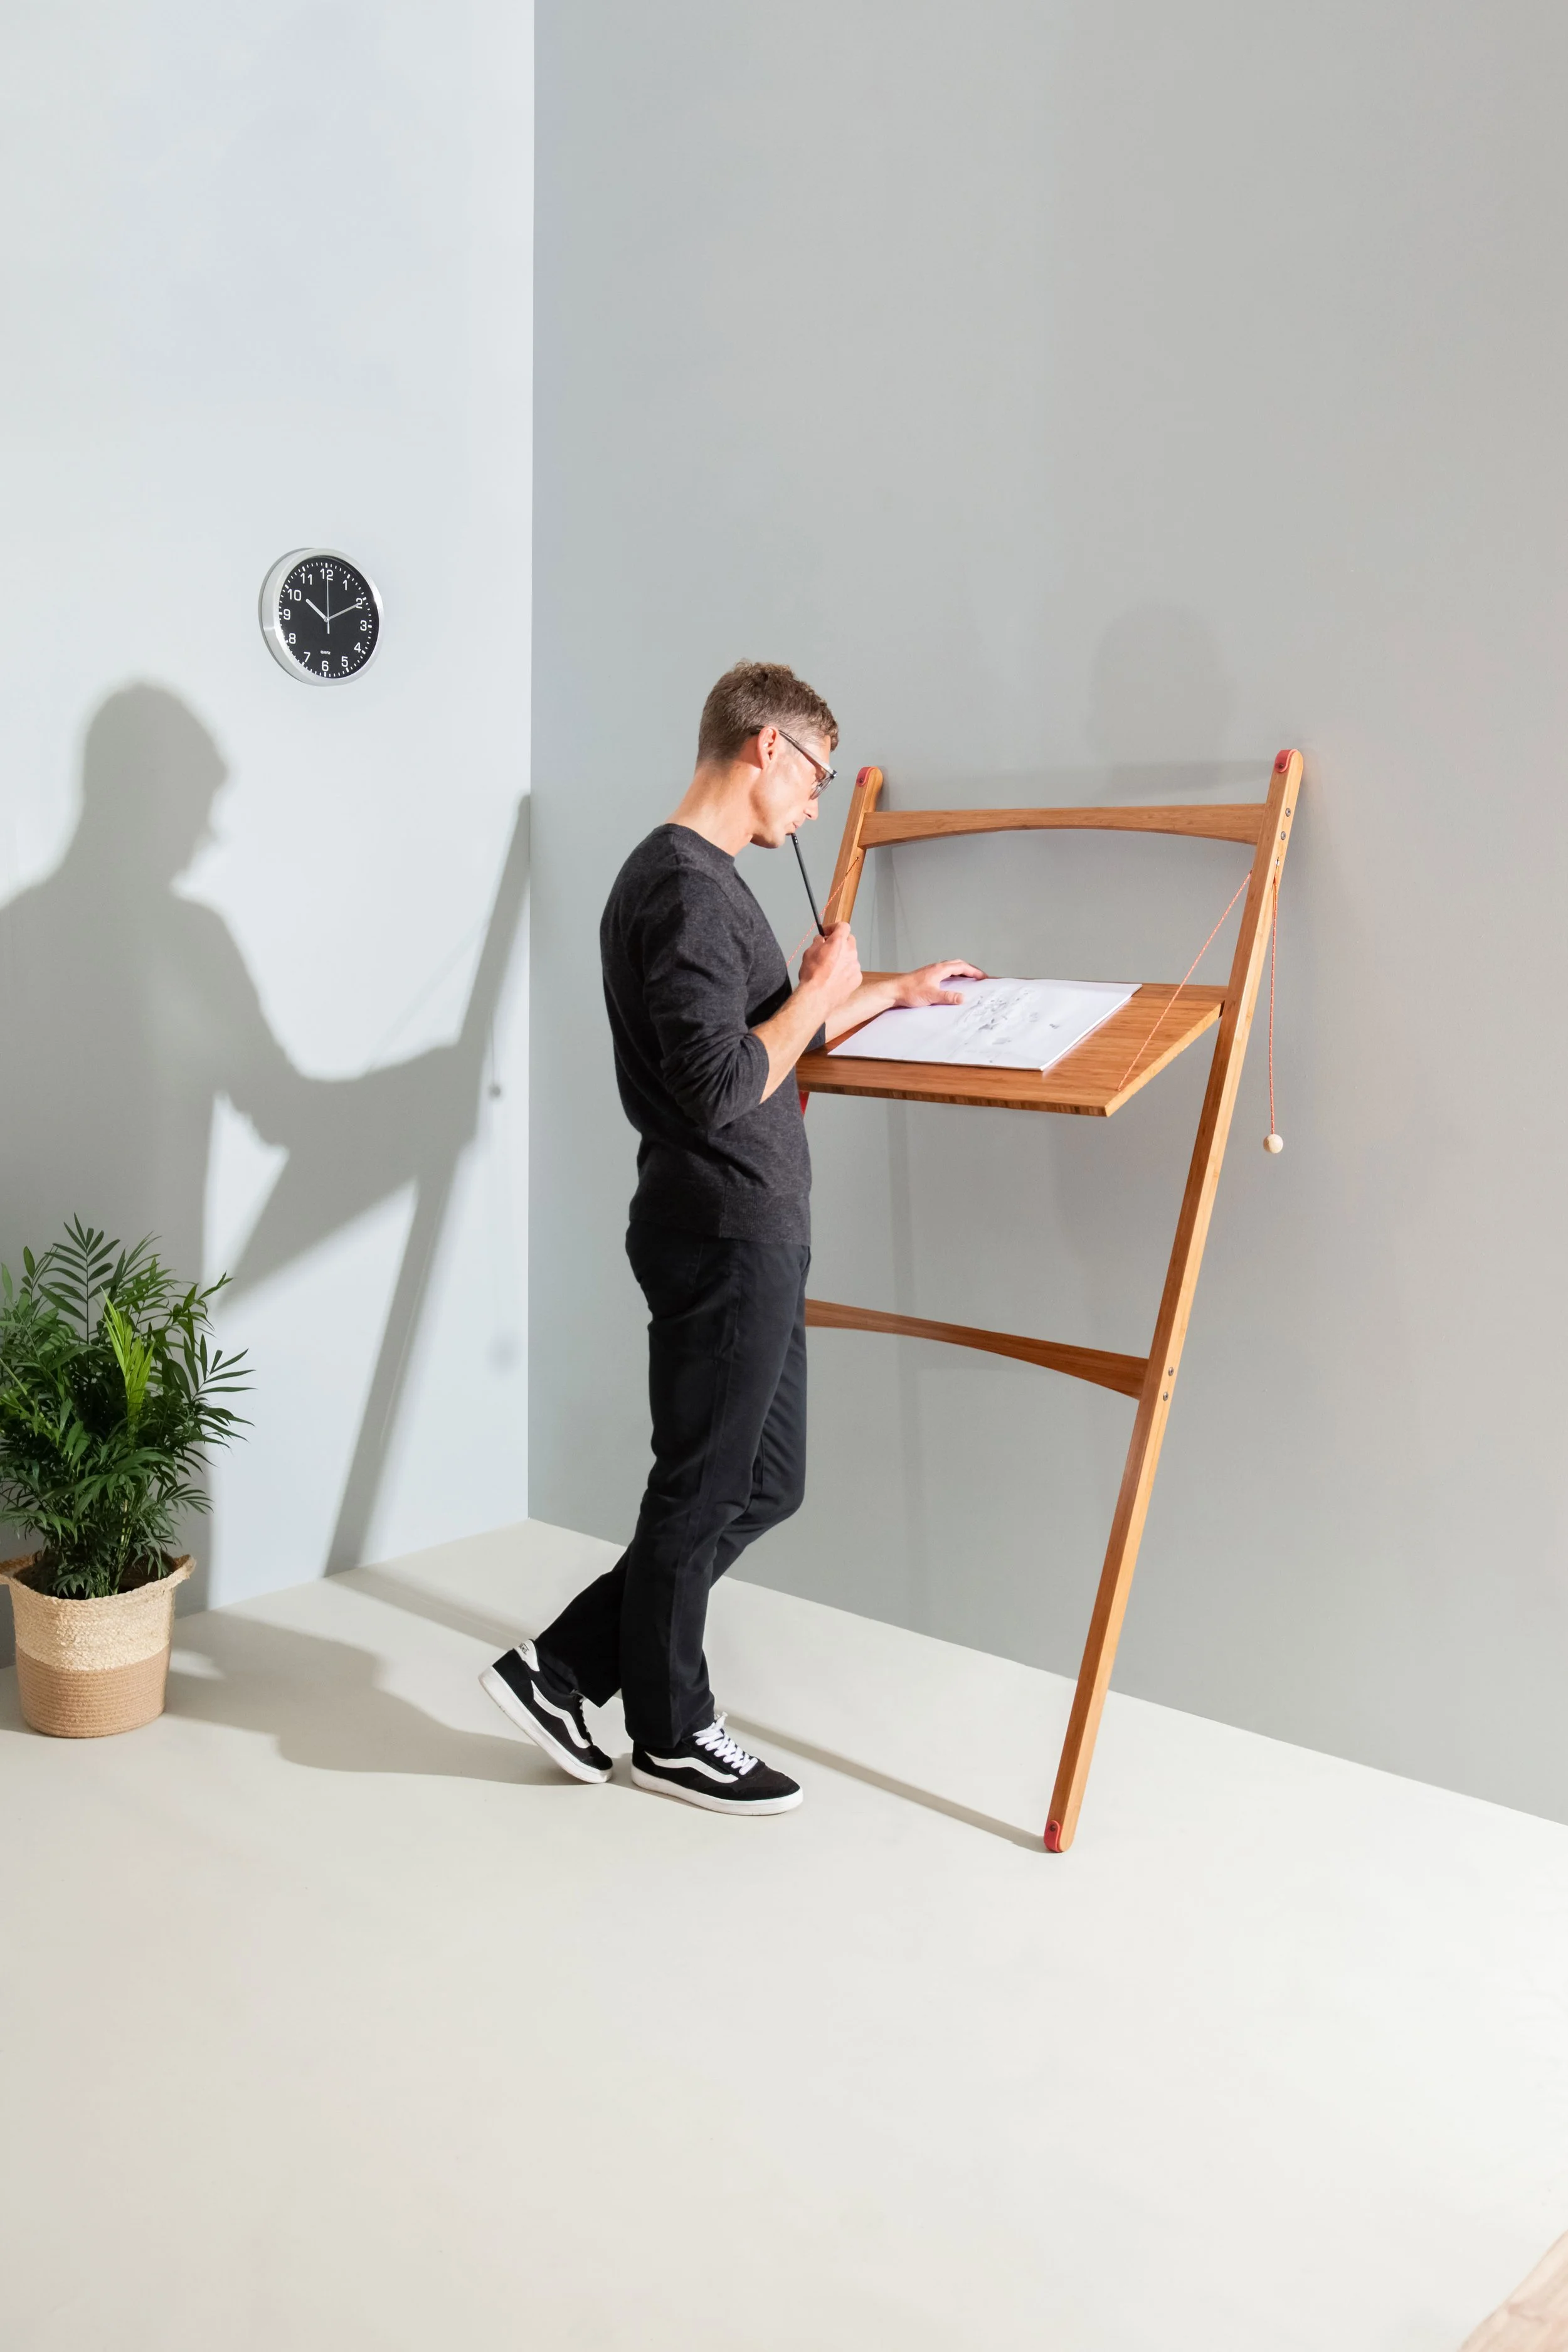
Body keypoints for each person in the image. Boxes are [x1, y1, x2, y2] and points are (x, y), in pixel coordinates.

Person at [481, 662, 980, 1814]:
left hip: (740, 1226)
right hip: (721, 1229)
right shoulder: (688, 890)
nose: (814, 805)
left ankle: (562, 1669)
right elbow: (721, 1084)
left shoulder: (687, 881)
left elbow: (757, 1034)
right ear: (765, 749)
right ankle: (672, 1728)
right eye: (814, 777)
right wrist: (821, 992)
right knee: (705, 1483)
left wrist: (881, 991)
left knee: (760, 1480)